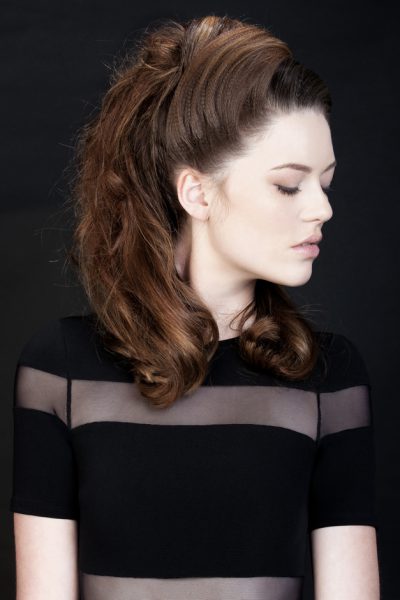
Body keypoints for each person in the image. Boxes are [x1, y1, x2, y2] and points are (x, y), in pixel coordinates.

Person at [9, 14, 380, 600]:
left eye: (325, 182)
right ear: (197, 192)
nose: (322, 208)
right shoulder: (61, 370)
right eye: (289, 184)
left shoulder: (329, 378)